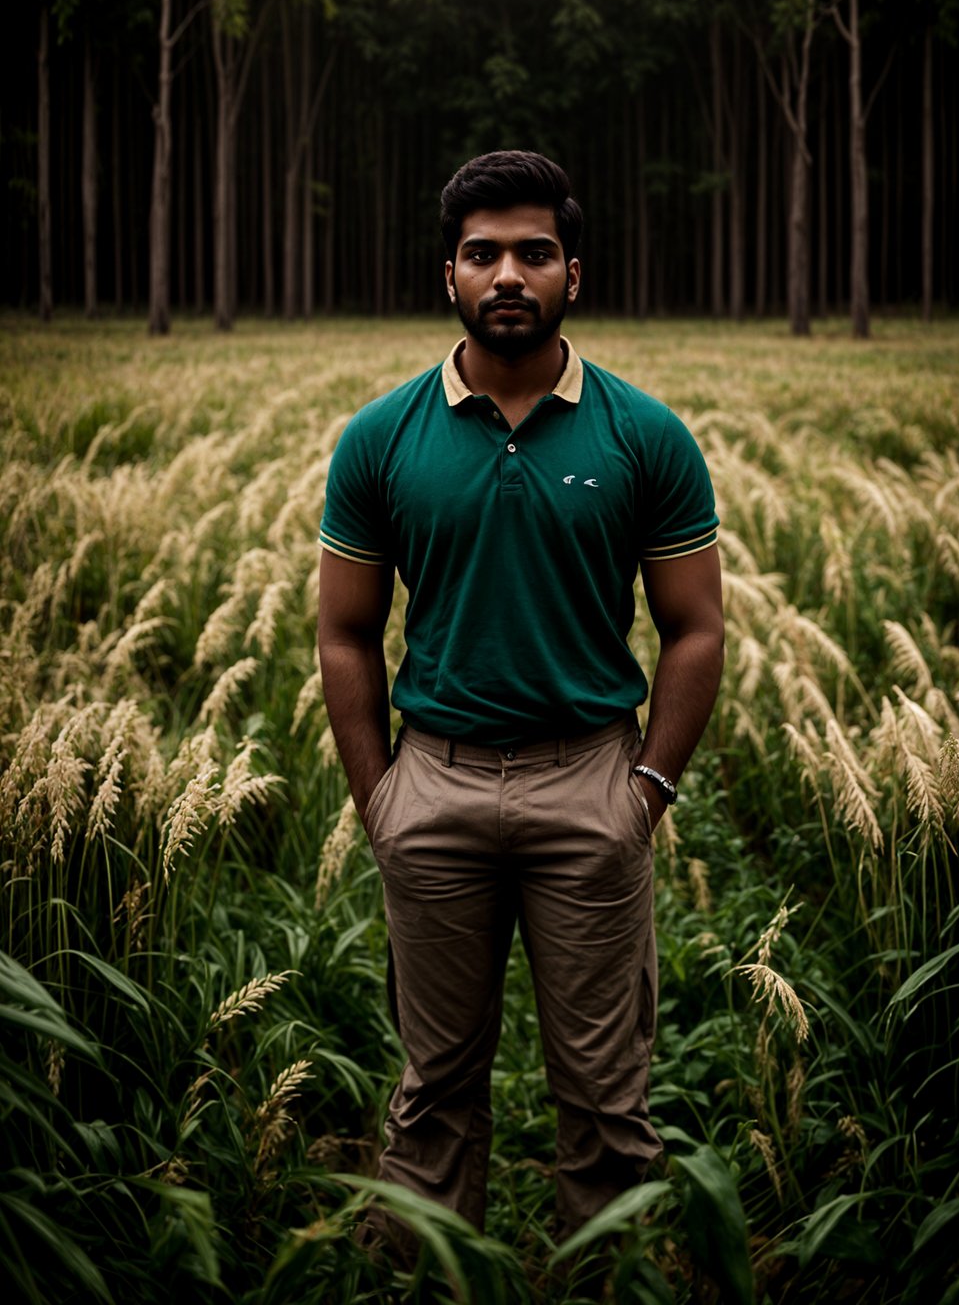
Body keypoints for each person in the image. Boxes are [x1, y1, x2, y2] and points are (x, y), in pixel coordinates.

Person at [318, 149, 723, 1246]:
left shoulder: (645, 435)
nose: (508, 273)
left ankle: (614, 1273)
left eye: (533, 253)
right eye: (482, 252)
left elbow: (695, 631)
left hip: (591, 779)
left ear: (572, 275)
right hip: (432, 784)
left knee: (606, 1099)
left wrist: (642, 793)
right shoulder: (379, 439)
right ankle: (423, 1272)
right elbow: (345, 635)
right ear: (446, 273)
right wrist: (380, 802)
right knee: (433, 1091)